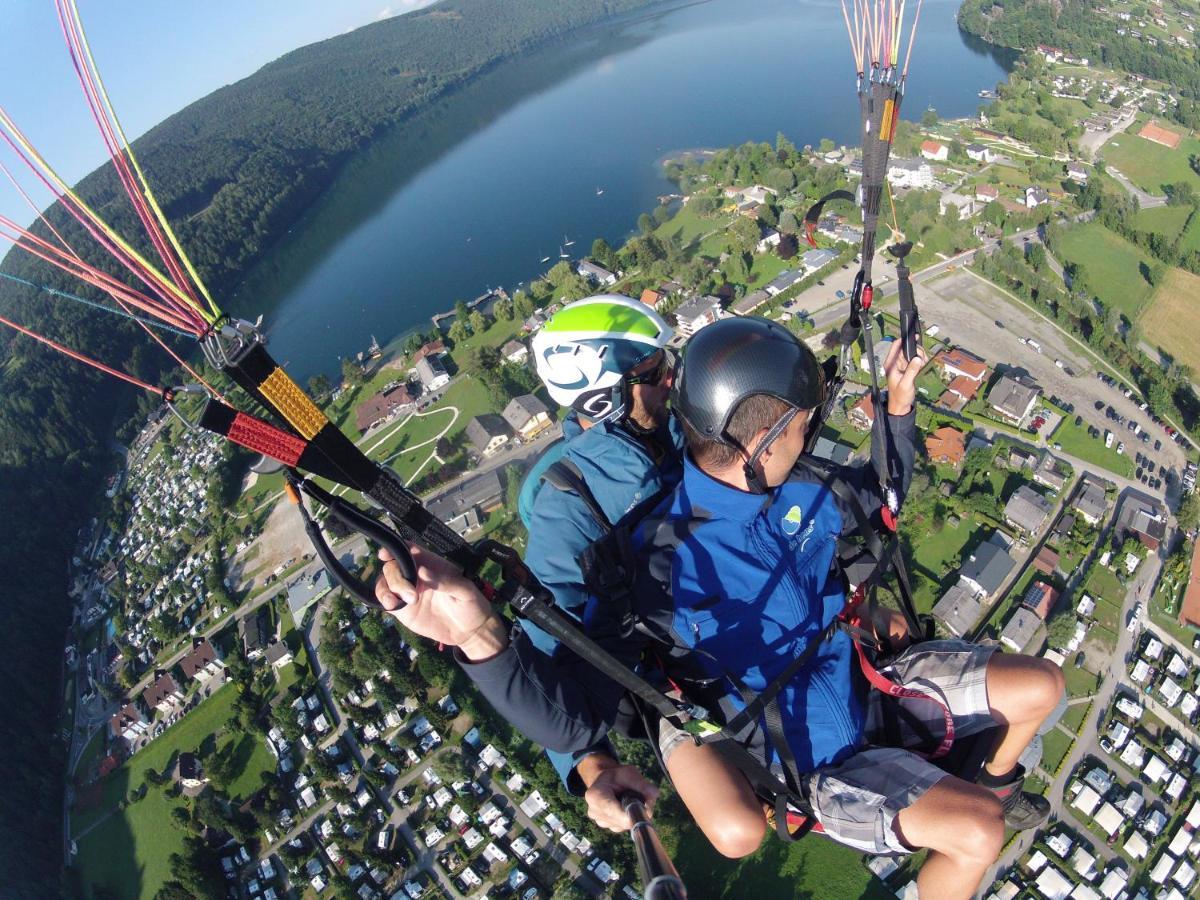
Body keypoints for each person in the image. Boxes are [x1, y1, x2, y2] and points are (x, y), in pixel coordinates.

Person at [374, 318, 1064, 899]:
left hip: (861, 678)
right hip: (807, 758)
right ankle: (975, 797)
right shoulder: (649, 563)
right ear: (765, 441)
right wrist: (482, 637)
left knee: (1044, 688)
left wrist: (900, 406)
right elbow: (577, 708)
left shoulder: (795, 489)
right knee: (977, 831)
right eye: (805, 425)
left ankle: (994, 780)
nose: (813, 438)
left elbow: (878, 500)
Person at [519, 293, 681, 654]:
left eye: (665, 363)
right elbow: (556, 648)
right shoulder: (564, 516)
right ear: (602, 399)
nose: (669, 380)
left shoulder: (674, 433)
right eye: (654, 372)